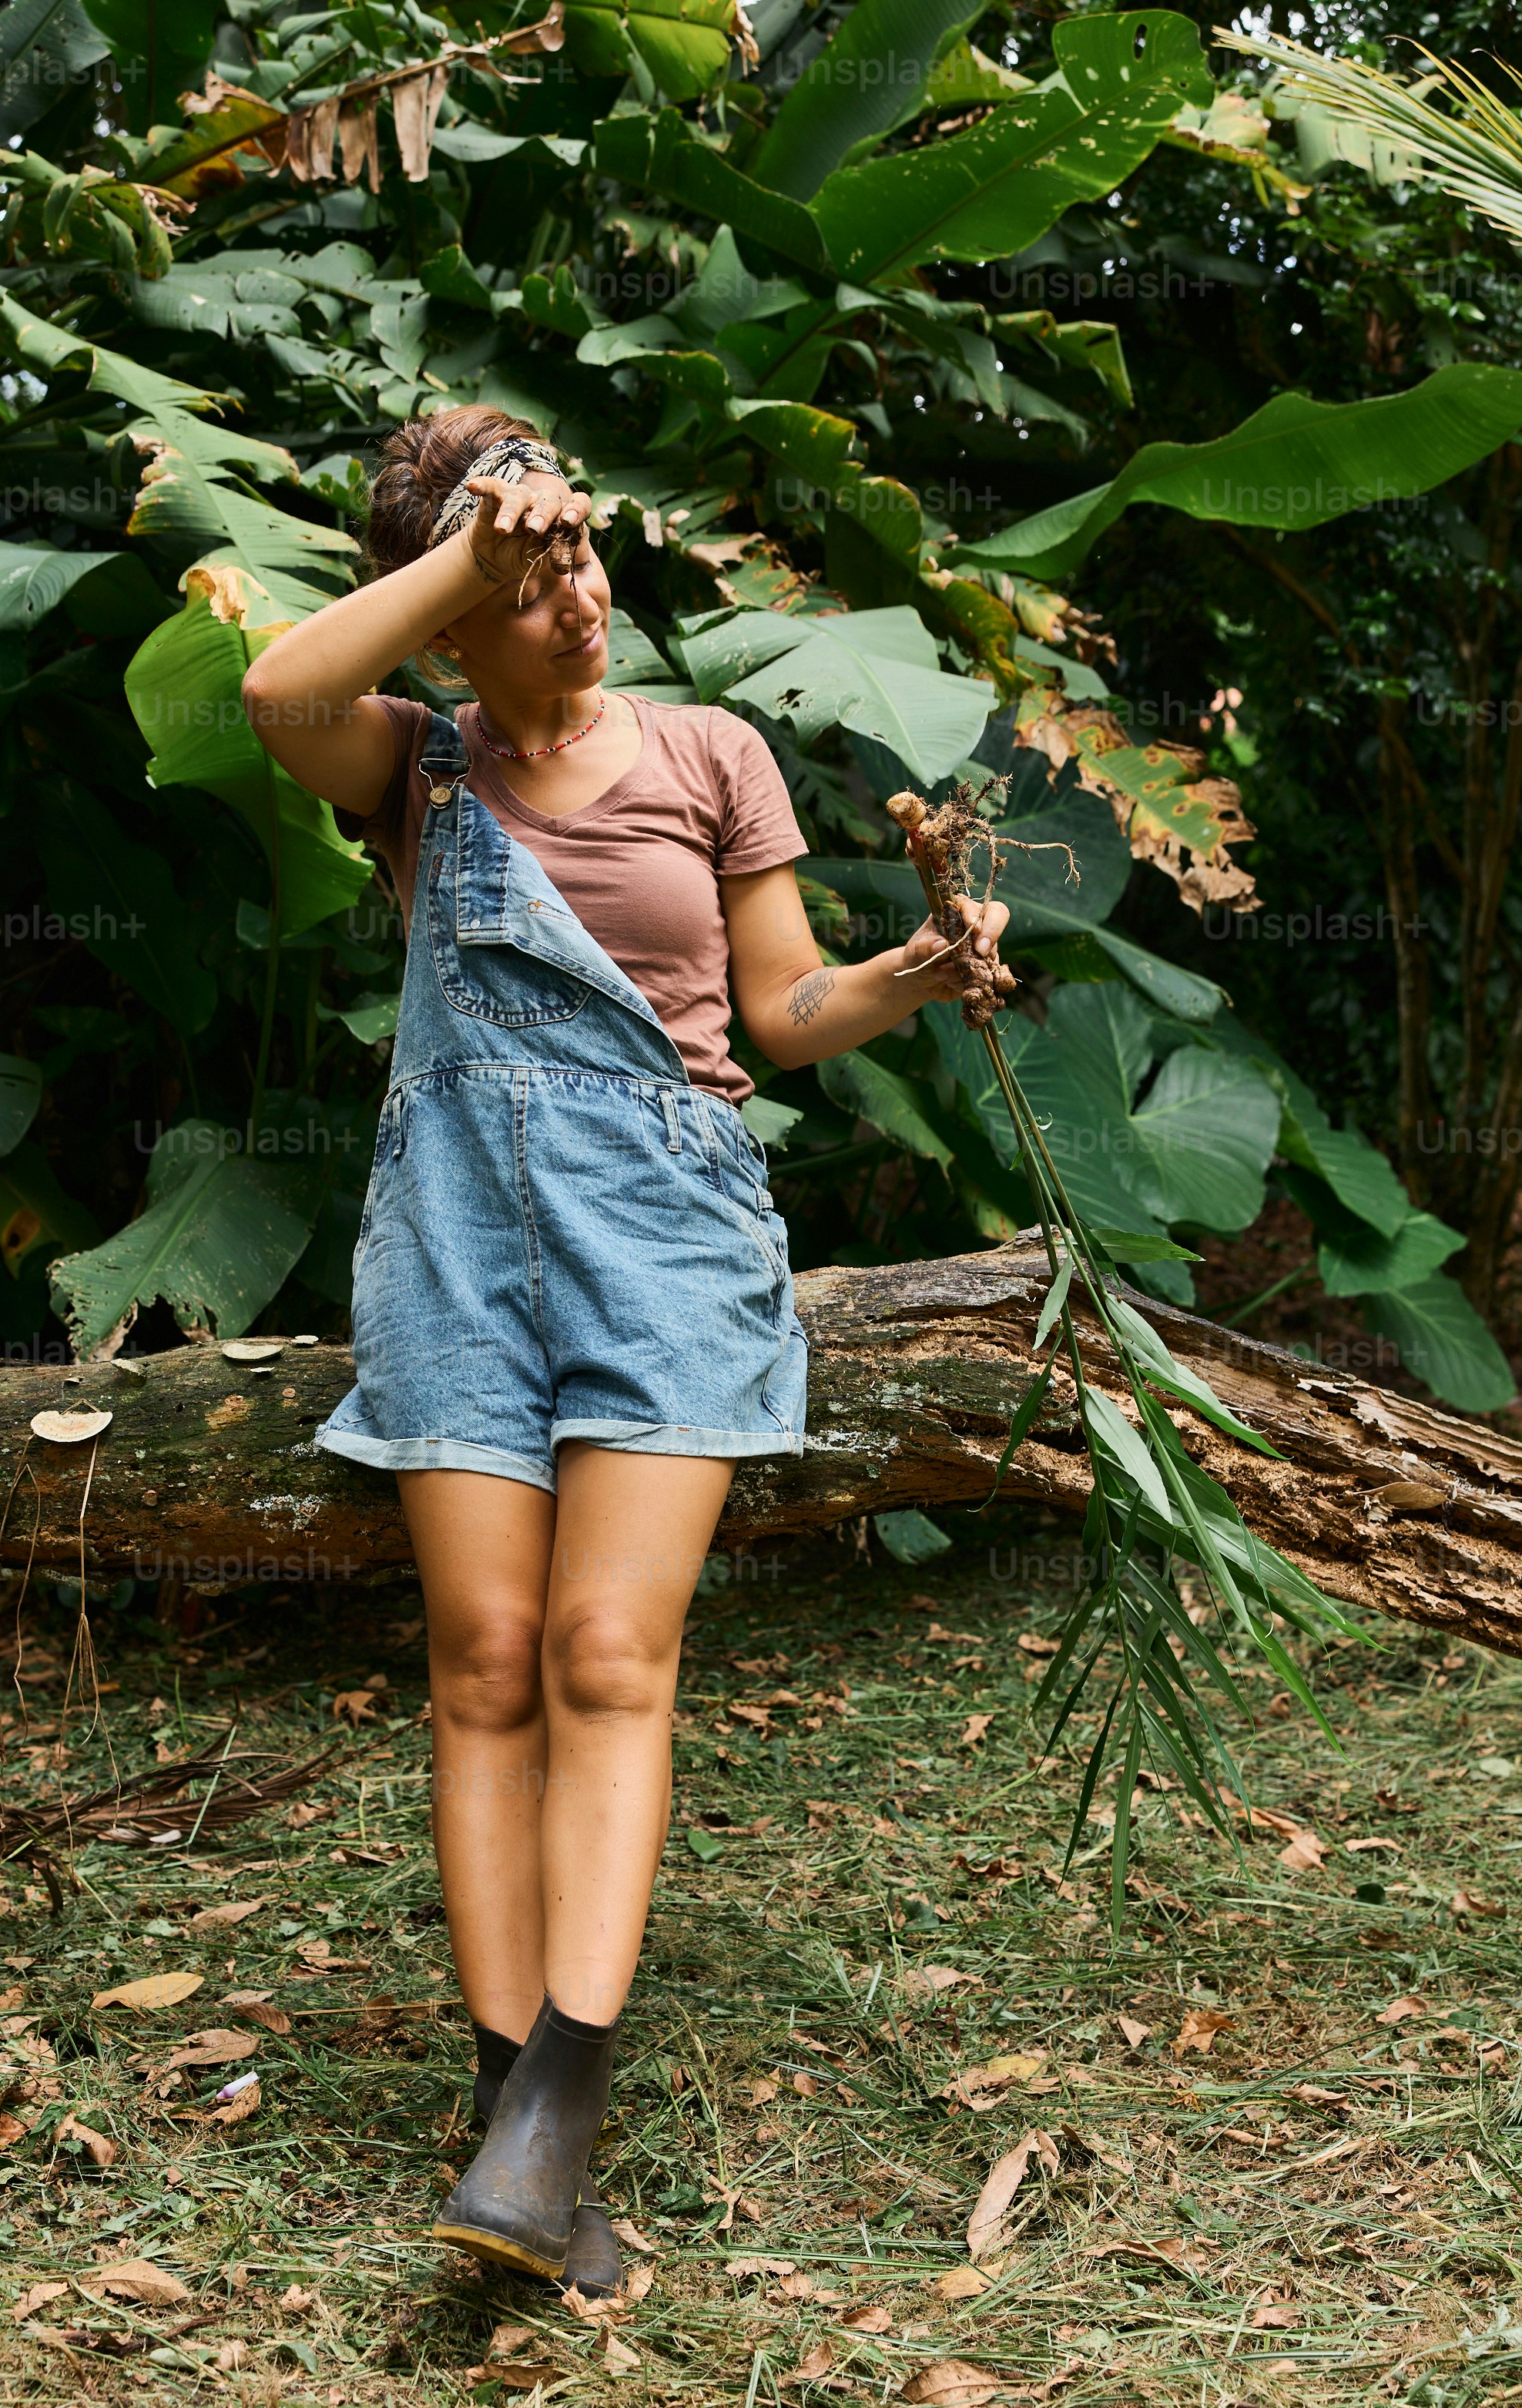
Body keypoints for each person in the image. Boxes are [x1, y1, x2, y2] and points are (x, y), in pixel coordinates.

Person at [242, 405, 1010, 2297]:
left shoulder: (707, 752)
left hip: (662, 1229)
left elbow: (776, 1005)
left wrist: (905, 979)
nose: (581, 597)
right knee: (484, 1658)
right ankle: (513, 2116)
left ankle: (560, 2098)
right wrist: (467, 559)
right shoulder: (410, 765)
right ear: (454, 617)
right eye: (536, 577)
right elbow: (276, 684)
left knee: (603, 1646)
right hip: (455, 1241)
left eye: (587, 559)